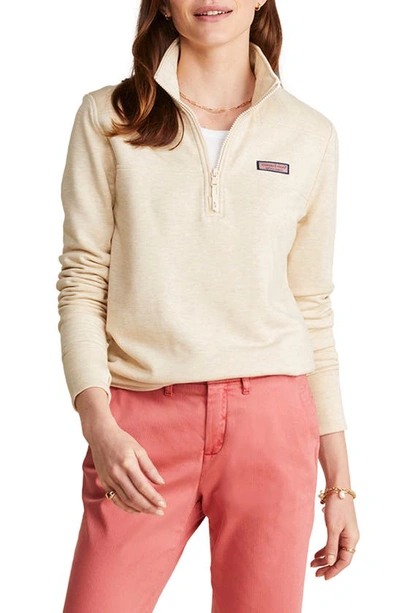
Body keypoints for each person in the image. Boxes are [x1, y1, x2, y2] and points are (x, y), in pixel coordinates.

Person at [56, 1, 360, 611]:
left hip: (271, 426)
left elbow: (311, 306)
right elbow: (83, 280)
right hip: (139, 426)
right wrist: (98, 423)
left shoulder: (310, 133)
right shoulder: (110, 116)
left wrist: (340, 485)